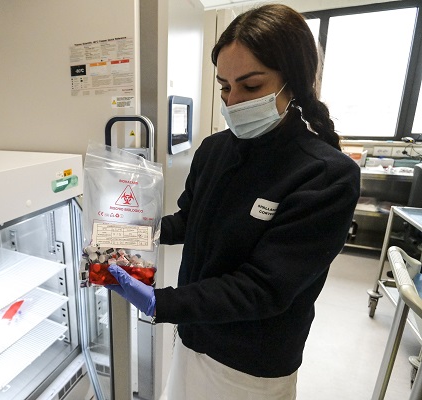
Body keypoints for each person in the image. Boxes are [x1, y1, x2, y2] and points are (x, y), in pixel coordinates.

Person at [106, 4, 360, 399]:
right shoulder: (214, 150)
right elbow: (190, 220)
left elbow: (264, 288)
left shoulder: (325, 175)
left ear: (292, 82)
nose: (233, 101)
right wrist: (138, 231)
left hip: (251, 362)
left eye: (251, 86)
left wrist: (160, 302)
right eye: (225, 86)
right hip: (193, 335)